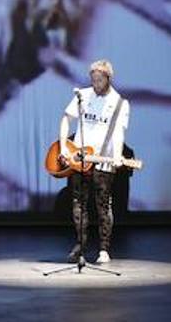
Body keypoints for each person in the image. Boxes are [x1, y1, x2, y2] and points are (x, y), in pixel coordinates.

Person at [58, 59, 130, 264]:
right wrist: (64, 145)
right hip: (79, 158)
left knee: (103, 204)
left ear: (108, 78)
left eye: (99, 80)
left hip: (102, 160)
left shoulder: (119, 103)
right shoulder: (83, 96)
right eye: (93, 79)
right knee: (78, 203)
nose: (95, 83)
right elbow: (66, 118)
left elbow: (118, 133)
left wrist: (116, 155)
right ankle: (80, 245)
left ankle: (104, 249)